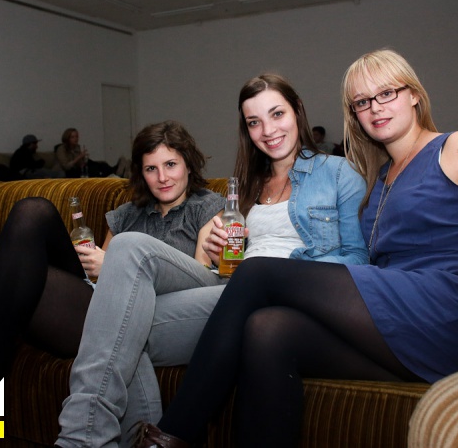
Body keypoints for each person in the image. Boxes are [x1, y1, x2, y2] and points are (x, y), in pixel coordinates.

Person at [136, 49, 458, 448]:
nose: (375, 108)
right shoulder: (379, 175)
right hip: (399, 323)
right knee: (268, 329)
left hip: (449, 313)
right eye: (362, 101)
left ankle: (173, 435)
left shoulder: (457, 147)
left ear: (414, 95)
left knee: (258, 272)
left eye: (387, 93)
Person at [55, 73, 367, 448]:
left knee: (123, 287)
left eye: (277, 114)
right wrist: (223, 254)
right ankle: (82, 436)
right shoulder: (248, 184)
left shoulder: (340, 172)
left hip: (287, 299)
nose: (268, 130)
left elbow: (358, 262)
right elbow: (230, 263)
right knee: (121, 319)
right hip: (231, 291)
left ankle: (77, 438)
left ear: (297, 111)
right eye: (254, 122)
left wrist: (283, 275)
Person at [0, 120, 224, 417]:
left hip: (130, 315)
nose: (162, 177)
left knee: (28, 217)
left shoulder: (207, 207)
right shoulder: (128, 214)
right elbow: (97, 279)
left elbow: (194, 284)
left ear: (188, 164)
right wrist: (95, 263)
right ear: (141, 173)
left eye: (170, 164)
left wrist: (111, 265)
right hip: (93, 298)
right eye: (151, 169)